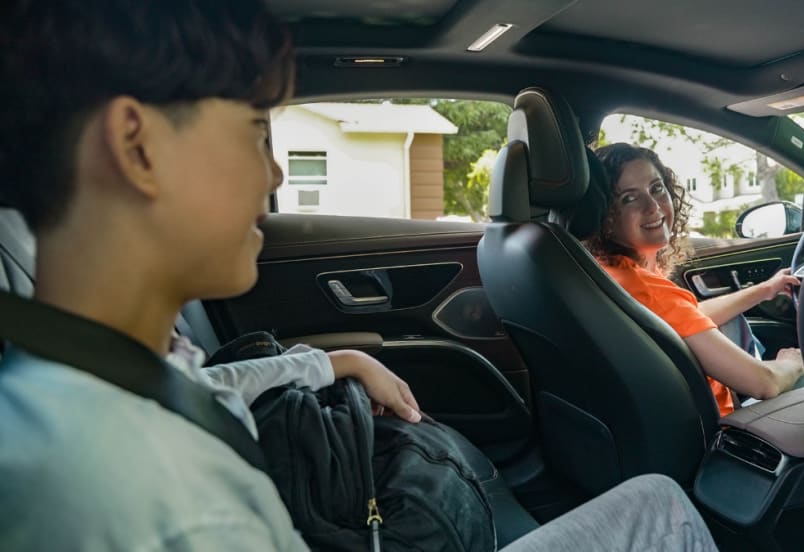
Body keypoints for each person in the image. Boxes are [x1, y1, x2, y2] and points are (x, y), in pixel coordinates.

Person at [0, 2, 717, 550]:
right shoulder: (165, 502)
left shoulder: (99, 376)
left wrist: (333, 359)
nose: (275, 171)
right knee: (661, 508)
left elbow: (205, 387)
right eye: (254, 132)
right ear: (137, 147)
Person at [588, 143, 804, 416]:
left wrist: (764, 290)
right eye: (629, 199)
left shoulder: (607, 272)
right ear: (605, 214)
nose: (653, 206)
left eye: (656, 188)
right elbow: (765, 384)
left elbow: (685, 318)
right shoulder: (650, 292)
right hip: (724, 428)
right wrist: (793, 363)